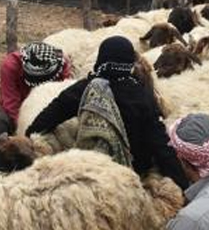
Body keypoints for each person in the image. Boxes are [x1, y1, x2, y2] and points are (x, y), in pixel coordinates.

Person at [26, 36, 189, 189]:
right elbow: (160, 143)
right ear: (130, 62)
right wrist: (182, 184)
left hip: (95, 172)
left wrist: (29, 134)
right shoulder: (141, 94)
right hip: (134, 174)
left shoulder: (85, 89)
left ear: (101, 59)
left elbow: (47, 117)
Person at [0, 41, 71, 173]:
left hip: (50, 109)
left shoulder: (60, 64)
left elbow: (64, 93)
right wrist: (24, 130)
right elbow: (10, 104)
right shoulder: (10, 66)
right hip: (19, 111)